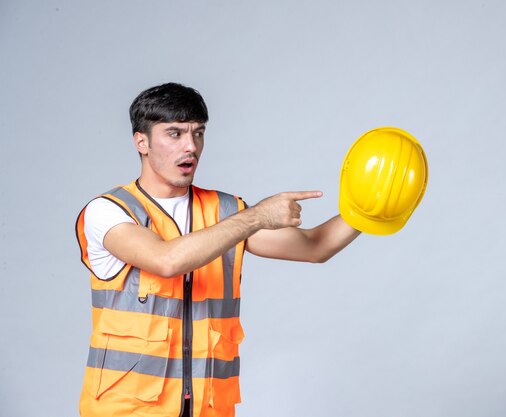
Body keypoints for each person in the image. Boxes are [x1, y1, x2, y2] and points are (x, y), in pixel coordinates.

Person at [75, 82, 360, 417]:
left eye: (198, 133)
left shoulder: (226, 212)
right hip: (126, 410)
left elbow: (315, 247)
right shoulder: (108, 211)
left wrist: (371, 209)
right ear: (142, 142)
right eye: (174, 134)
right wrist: (255, 216)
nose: (191, 146)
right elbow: (166, 260)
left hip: (207, 408)